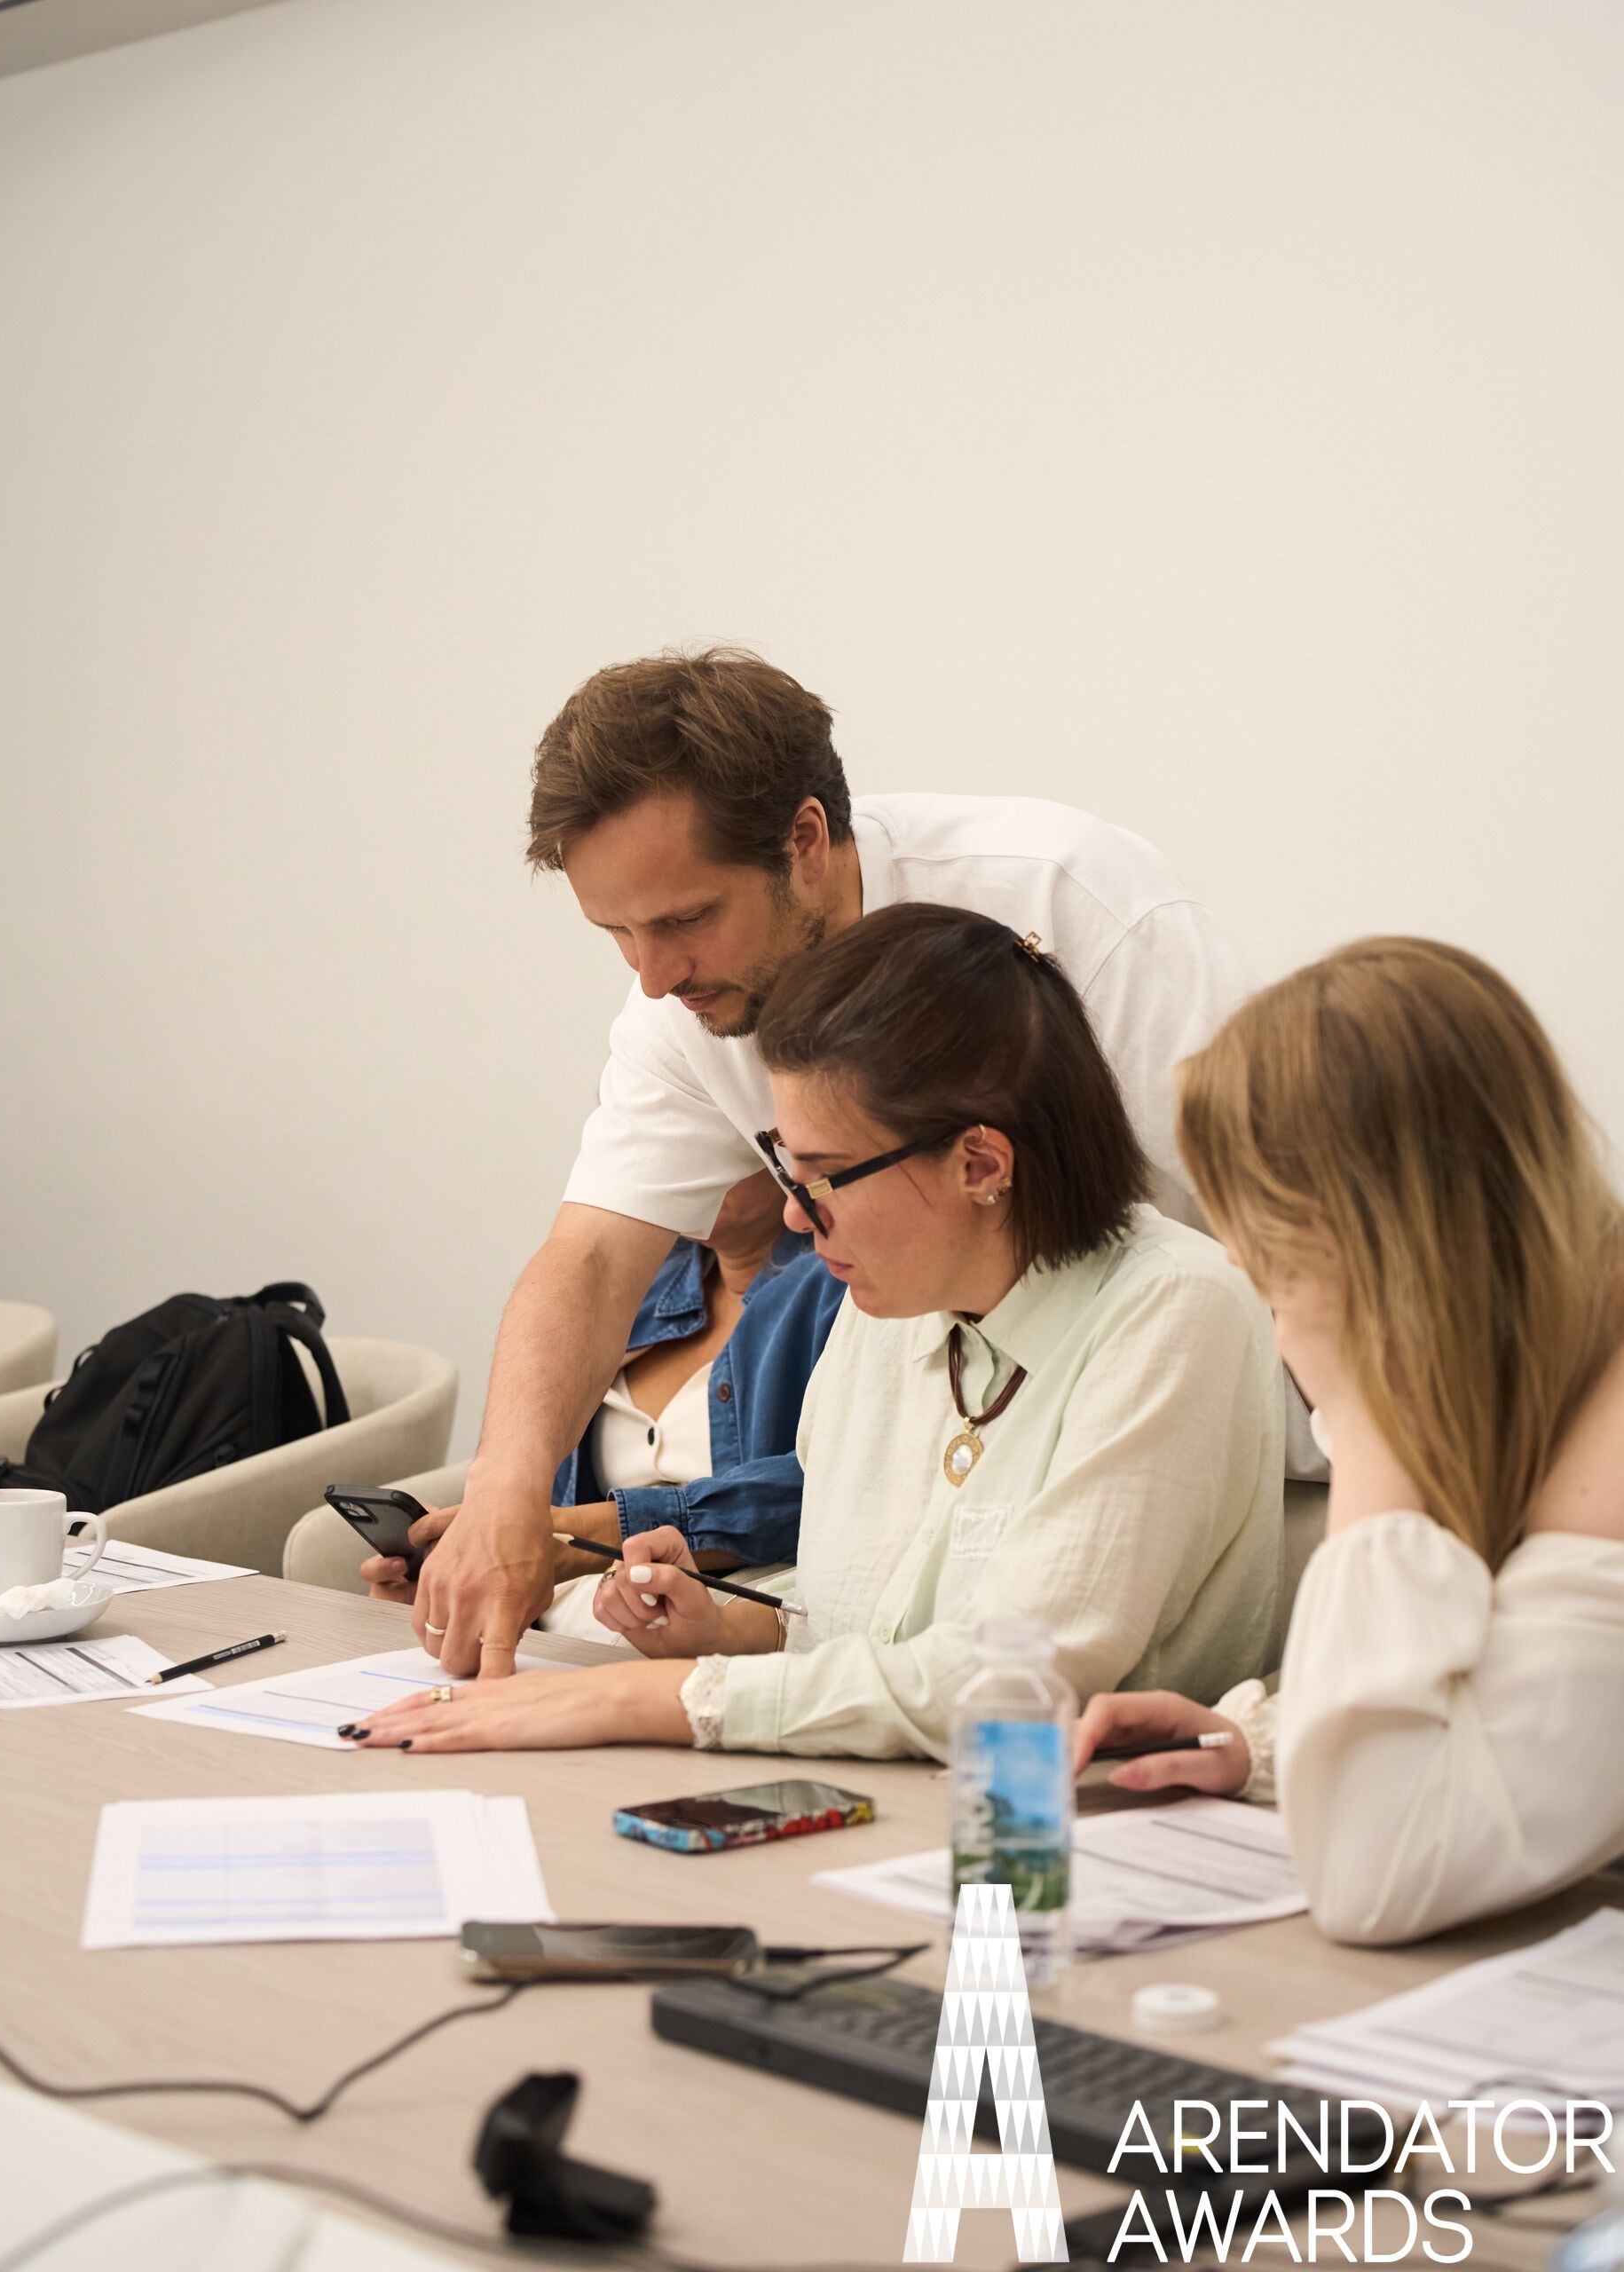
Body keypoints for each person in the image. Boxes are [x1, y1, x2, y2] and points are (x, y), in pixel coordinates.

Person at [415, 646, 1309, 1680]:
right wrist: (506, 1489)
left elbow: (1321, 1232)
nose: (654, 976)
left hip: (1204, 1434)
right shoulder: (689, 1003)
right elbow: (590, 1258)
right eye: (615, 931)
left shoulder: (1070, 903)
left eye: (684, 919)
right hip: (968, 1461)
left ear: (804, 841)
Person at [343, 904, 1285, 1762]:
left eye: (824, 1177)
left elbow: (1008, 1684)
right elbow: (864, 1625)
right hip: (885, 1803)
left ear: (979, 1164)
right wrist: (718, 1631)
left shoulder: (1174, 1309)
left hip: (1059, 1839)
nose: (796, 1217)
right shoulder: (894, 1305)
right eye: (785, 1170)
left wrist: (644, 1696)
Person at [1072, 938, 1624, 1946]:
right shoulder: (1553, 1334)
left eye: (1255, 1226)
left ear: (1360, 1233)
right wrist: (1266, 1741)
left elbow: (1375, 1880)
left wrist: (1369, 1414)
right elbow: (1508, 1698)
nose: (1239, 1264)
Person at [359, 1172, 843, 1620]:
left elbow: (835, 1488)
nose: (683, 1165)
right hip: (562, 1614)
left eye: (719, 1135)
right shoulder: (635, 1275)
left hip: (722, 1619)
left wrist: (582, 1536)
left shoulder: (842, 1288)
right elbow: (542, 1485)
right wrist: (463, 1569)